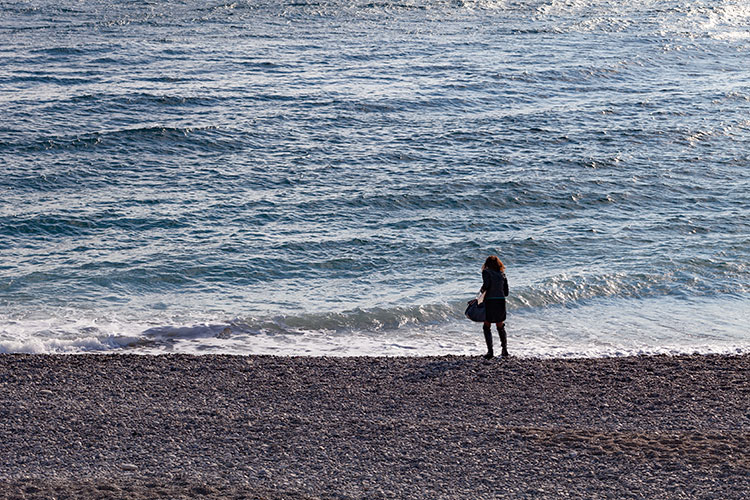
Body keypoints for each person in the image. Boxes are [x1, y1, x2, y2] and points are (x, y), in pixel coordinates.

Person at [480, 255, 509, 359]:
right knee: (500, 325)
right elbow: (506, 292)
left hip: (490, 301)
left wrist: (481, 291)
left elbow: (486, 285)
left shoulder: (486, 272)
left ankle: (490, 352)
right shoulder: (502, 274)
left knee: (486, 325)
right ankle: (504, 350)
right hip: (501, 301)